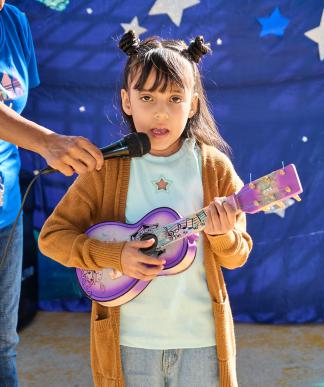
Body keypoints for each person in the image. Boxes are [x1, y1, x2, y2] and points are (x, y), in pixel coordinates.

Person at [38, 30, 253, 387]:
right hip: (128, 344)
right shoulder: (105, 169)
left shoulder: (213, 167)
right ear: (127, 101)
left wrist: (222, 235)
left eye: (174, 98)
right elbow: (52, 238)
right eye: (147, 97)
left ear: (193, 104)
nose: (160, 112)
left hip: (201, 340)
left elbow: (237, 255)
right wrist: (115, 256)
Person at [0, 2, 103, 386]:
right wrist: (47, 142)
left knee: (2, 344)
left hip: (5, 213)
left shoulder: (14, 22)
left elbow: (13, 114)